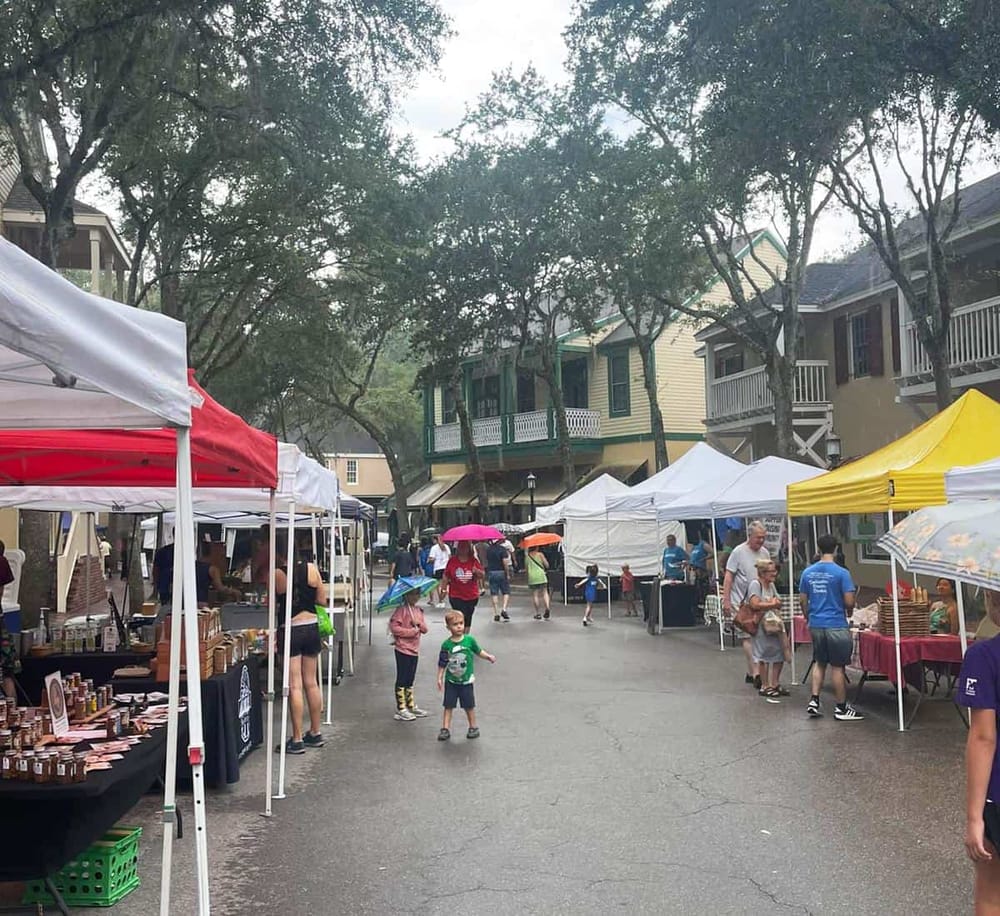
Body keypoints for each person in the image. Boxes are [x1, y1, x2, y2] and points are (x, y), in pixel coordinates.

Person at [958, 589, 1000, 912]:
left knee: (990, 891)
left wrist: (974, 818)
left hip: (998, 797)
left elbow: (983, 738)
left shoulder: (983, 656)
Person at [799, 533, 863, 721]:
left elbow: (803, 599)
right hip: (836, 623)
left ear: (818, 549)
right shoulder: (842, 573)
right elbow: (849, 600)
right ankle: (841, 707)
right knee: (837, 667)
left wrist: (807, 616)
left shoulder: (807, 573)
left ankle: (814, 700)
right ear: (836, 549)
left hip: (816, 623)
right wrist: (849, 609)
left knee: (819, 662)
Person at [274, 534, 328, 754]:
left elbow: (271, 604)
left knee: (294, 685)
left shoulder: (278, 574)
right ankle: (315, 732)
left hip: (291, 628)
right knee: (311, 683)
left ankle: (296, 739)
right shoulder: (311, 569)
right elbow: (322, 600)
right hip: (312, 626)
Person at [723, 521, 771, 688]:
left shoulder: (765, 553)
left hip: (759, 600)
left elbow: (768, 576)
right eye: (758, 538)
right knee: (748, 635)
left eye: (764, 538)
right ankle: (757, 673)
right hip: (741, 602)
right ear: (749, 536)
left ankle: (751, 672)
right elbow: (728, 577)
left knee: (759, 637)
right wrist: (726, 600)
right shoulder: (738, 552)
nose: (761, 541)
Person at [436, 610, 496, 741]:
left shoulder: (469, 640)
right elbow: (442, 662)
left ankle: (473, 727)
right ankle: (445, 729)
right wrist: (439, 677)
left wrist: (488, 656)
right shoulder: (446, 645)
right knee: (448, 705)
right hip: (451, 681)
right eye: (455, 624)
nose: (459, 626)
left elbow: (478, 651)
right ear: (448, 627)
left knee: (469, 706)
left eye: (461, 623)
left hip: (466, 681)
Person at [747, 560, 791, 702]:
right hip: (760, 624)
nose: (775, 574)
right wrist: (771, 604)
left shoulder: (771, 585)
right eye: (771, 572)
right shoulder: (755, 584)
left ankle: (775, 683)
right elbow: (754, 604)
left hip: (773, 624)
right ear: (762, 573)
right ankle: (765, 686)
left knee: (779, 652)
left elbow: (778, 600)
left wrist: (775, 603)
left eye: (775, 571)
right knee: (763, 654)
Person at [388, 585, 429, 721]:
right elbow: (394, 628)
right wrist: (410, 632)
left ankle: (410, 704)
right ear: (406, 596)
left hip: (414, 650)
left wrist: (419, 624)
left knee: (410, 678)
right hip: (403, 649)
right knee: (402, 677)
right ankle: (401, 708)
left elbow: (424, 629)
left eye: (418, 594)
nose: (416, 597)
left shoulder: (418, 611)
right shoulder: (401, 611)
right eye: (412, 594)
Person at [441, 541, 485, 630]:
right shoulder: (452, 561)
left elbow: (482, 575)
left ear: (469, 549)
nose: (463, 550)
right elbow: (446, 575)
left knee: (468, 617)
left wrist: (476, 571)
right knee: (459, 617)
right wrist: (444, 589)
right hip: (456, 595)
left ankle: (465, 637)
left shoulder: (473, 561)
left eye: (465, 547)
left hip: (471, 595)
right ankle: (458, 636)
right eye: (461, 547)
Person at [195, 542, 240, 608]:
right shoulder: (213, 569)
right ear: (212, 553)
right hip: (202, 603)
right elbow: (220, 588)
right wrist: (234, 591)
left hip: (186, 601)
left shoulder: (191, 567)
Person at [485, 539, 511, 622]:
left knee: (494, 593)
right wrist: (507, 573)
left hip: (492, 572)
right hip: (501, 572)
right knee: (506, 592)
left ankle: (496, 613)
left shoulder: (488, 550)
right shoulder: (502, 550)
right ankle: (504, 609)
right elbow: (505, 563)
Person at [526, 545, 551, 620]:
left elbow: (526, 569)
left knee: (535, 595)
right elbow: (547, 565)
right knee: (545, 592)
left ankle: (538, 613)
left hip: (532, 577)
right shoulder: (540, 555)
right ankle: (547, 607)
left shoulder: (527, 557)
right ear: (536, 547)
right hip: (541, 575)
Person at [151, 540, 175, 606]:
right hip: (165, 585)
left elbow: (155, 569)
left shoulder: (162, 551)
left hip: (165, 585)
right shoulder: (163, 551)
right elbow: (156, 569)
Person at [429, 535, 451, 607]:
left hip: (438, 568)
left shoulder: (434, 548)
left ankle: (441, 600)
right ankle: (443, 597)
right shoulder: (447, 547)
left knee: (438, 585)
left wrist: (429, 560)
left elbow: (432, 559)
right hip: (446, 567)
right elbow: (450, 557)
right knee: (444, 585)